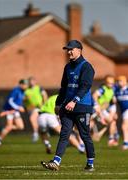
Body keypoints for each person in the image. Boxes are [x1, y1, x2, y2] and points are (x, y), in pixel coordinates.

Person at [41, 40, 95, 171]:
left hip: (82, 106)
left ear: (79, 50)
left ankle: (90, 163)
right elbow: (64, 87)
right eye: (67, 49)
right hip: (67, 107)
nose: (69, 52)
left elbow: (85, 86)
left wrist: (74, 100)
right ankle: (56, 162)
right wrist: (58, 103)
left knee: (85, 135)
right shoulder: (67, 67)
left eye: (72, 49)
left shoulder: (86, 66)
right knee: (64, 134)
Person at [0, 79, 28, 146]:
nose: (26, 86)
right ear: (21, 84)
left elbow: (19, 101)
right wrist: (18, 107)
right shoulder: (16, 90)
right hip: (9, 110)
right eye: (25, 84)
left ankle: (5, 129)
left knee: (20, 127)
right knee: (9, 126)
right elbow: (10, 101)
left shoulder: (22, 91)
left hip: (15, 111)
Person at [92, 75, 118, 146]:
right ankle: (112, 138)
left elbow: (112, 101)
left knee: (113, 122)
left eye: (112, 83)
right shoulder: (102, 89)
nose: (111, 84)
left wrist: (114, 112)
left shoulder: (113, 89)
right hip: (99, 110)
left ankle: (111, 139)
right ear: (105, 82)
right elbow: (94, 96)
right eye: (109, 83)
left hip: (105, 110)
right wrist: (97, 106)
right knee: (111, 122)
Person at [24, 76, 48, 142]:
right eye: (30, 81)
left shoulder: (39, 88)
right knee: (38, 123)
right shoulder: (27, 90)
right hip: (31, 109)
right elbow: (24, 100)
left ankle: (35, 133)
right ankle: (44, 134)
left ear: (35, 81)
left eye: (32, 81)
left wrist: (44, 105)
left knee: (32, 118)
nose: (31, 82)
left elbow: (45, 95)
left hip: (39, 108)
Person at [114, 75, 128, 150]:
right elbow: (117, 103)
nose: (119, 82)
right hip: (122, 111)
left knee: (124, 126)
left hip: (127, 110)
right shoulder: (117, 91)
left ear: (125, 81)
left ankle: (126, 143)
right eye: (118, 81)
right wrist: (116, 112)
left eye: (121, 81)